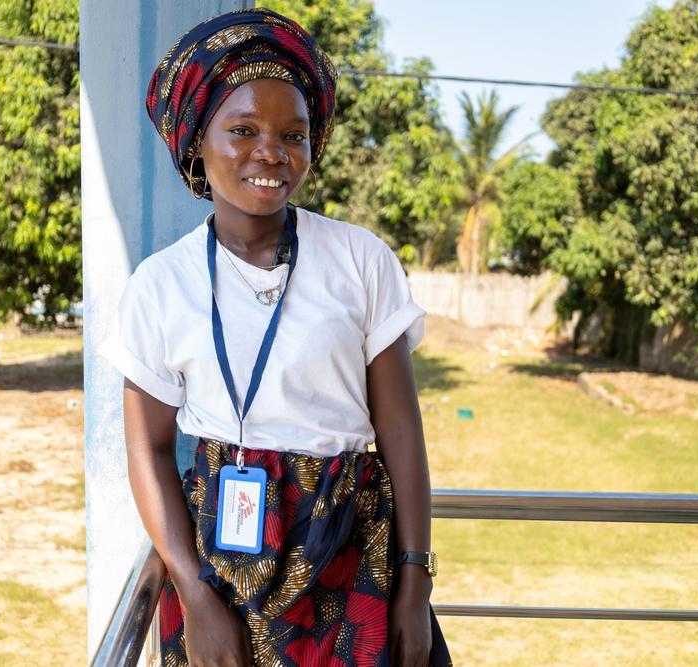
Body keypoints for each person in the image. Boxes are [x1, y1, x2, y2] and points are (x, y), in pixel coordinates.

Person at [104, 7, 451, 666]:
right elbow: (148, 450)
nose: (271, 152)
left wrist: (414, 582)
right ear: (196, 142)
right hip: (219, 567)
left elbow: (401, 428)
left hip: (353, 556)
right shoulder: (160, 285)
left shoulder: (361, 260)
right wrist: (194, 594)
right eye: (243, 129)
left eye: (293, 134)